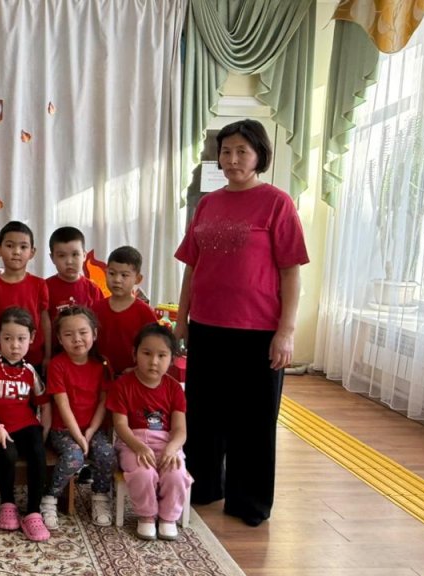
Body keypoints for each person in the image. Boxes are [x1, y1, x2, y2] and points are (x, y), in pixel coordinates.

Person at [174, 119, 309, 527]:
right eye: (226, 151)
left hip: (259, 331)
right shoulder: (208, 204)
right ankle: (203, 487)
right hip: (207, 325)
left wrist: (286, 331)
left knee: (253, 420)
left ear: (259, 156)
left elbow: (291, 271)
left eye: (242, 152)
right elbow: (191, 267)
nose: (232, 159)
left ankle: (249, 501)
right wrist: (182, 320)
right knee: (204, 413)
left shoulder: (277, 203)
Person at [0, 306, 52, 542]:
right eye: (7, 339)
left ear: (32, 338)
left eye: (21, 339)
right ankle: (7, 502)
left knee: (37, 451)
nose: (14, 345)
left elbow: (45, 403)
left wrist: (45, 431)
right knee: (8, 453)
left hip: (26, 425)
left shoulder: (29, 370)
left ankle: (34, 511)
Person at [108, 323, 191, 541]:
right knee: (143, 473)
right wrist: (138, 447)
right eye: (147, 353)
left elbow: (180, 429)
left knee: (176, 473)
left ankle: (168, 517)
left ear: (172, 359)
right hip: (132, 443)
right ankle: (146, 515)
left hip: (166, 443)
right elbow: (120, 425)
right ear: (134, 354)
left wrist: (172, 449)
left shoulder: (174, 389)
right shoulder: (122, 385)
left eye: (161, 355)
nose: (154, 361)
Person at [40, 306, 115, 529]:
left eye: (83, 332)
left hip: (93, 428)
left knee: (106, 453)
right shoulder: (57, 365)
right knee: (74, 456)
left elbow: (103, 403)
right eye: (69, 334)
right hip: (63, 430)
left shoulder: (102, 364)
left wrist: (90, 432)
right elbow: (62, 406)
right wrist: (79, 437)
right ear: (59, 339)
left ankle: (100, 496)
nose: (77, 339)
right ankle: (50, 497)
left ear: (94, 334)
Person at [0, 222, 51, 369]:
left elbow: (45, 320)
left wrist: (48, 355)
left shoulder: (39, 285)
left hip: (33, 358)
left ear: (32, 252)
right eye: (10, 246)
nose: (16, 251)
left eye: (23, 247)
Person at [91, 246, 161, 375]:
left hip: (133, 376)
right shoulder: (95, 308)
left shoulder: (144, 312)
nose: (117, 280)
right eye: (112, 273)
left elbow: (156, 345)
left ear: (138, 279)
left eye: (124, 275)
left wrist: (138, 369)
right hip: (99, 375)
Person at [45, 226, 104, 325]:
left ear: (84, 256)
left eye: (75, 254)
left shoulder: (93, 290)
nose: (69, 261)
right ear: (52, 258)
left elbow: (100, 323)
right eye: (62, 256)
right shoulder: (44, 288)